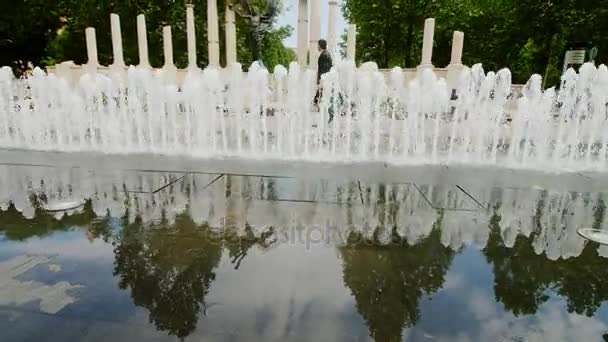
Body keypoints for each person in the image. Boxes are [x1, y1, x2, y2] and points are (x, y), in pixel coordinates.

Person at [314, 39, 333, 121]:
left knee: (319, 100)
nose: (317, 47)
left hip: (324, 82)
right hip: (325, 82)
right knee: (320, 100)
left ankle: (329, 117)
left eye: (318, 45)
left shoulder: (324, 55)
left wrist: (320, 83)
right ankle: (325, 119)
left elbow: (324, 70)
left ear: (320, 45)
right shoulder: (326, 54)